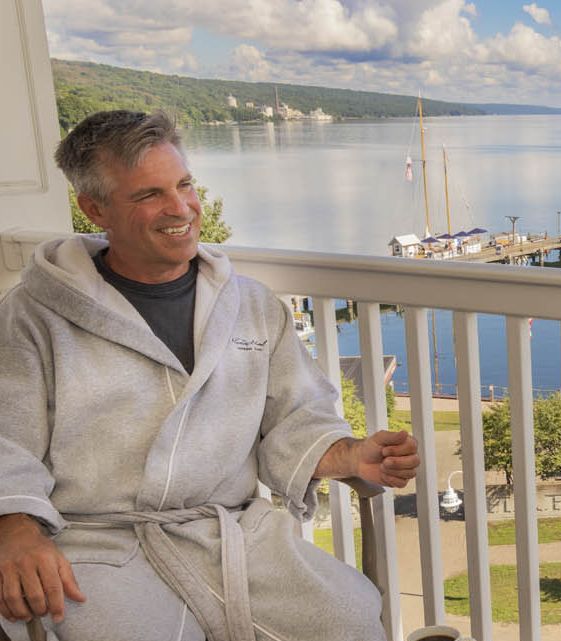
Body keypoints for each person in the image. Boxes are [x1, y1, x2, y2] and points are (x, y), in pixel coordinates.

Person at [0, 110, 420, 640]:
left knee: (351, 615)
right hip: (98, 545)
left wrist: (350, 454)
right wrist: (13, 526)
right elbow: (6, 442)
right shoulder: (33, 317)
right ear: (94, 208)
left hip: (234, 536)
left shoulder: (250, 306)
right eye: (148, 195)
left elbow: (294, 417)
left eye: (184, 185)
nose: (181, 209)